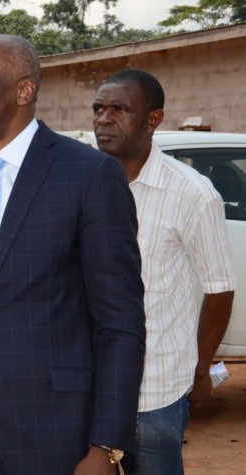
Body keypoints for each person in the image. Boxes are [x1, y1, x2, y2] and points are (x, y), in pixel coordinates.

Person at [0, 34, 147, 475]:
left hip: (61, 438)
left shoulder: (90, 175)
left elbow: (119, 324)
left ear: (23, 90)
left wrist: (106, 447)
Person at [92, 69, 236, 474]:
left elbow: (220, 289)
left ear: (153, 119)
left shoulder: (192, 193)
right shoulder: (78, 184)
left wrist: (201, 368)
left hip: (155, 391)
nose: (104, 119)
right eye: (99, 108)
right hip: (86, 388)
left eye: (119, 109)